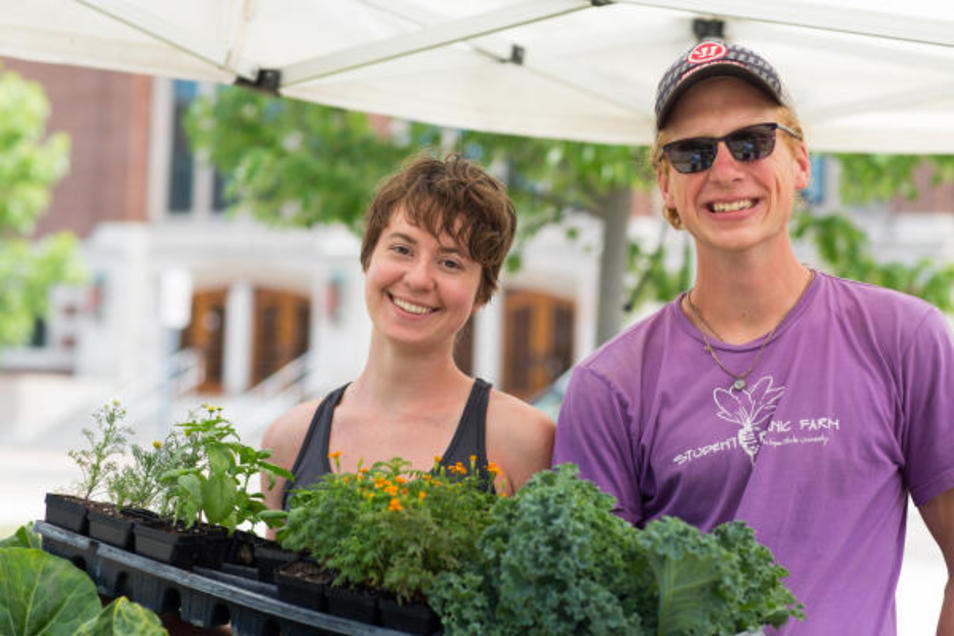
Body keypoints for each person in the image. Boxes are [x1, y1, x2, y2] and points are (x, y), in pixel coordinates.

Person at [552, 40, 954, 635]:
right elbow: (590, 610)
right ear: (665, 186)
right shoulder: (609, 387)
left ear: (800, 163)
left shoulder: (904, 340)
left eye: (752, 142)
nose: (723, 169)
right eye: (691, 153)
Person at [262, 153, 555, 517]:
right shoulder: (289, 440)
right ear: (368, 259)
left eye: (450, 263)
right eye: (402, 249)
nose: (418, 278)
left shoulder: (525, 441)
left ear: (481, 293)